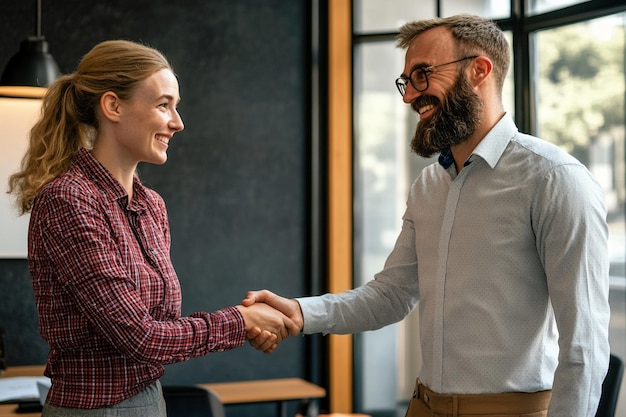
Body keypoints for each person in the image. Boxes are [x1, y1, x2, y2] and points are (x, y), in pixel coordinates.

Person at [243, 14, 611, 417]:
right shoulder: (428, 185)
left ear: (479, 71)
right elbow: (393, 294)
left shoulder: (556, 179)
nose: (408, 96)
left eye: (423, 75)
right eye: (407, 81)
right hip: (423, 407)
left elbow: (584, 347)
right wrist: (299, 312)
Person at [8, 40, 298, 416]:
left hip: (149, 399)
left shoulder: (151, 206)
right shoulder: (69, 200)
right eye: (164, 105)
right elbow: (139, 336)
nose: (178, 122)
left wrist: (247, 324)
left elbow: (163, 330)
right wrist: (240, 321)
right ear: (113, 106)